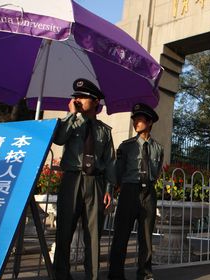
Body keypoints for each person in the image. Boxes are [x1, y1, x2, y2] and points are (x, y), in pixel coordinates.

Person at [53, 78, 115, 280]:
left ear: (96, 101)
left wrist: (109, 189)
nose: (77, 99)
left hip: (95, 183)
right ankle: (61, 276)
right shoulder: (71, 123)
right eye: (76, 96)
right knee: (64, 232)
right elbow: (59, 139)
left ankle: (93, 276)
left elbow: (110, 162)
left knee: (93, 235)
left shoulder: (104, 131)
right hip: (72, 180)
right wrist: (72, 115)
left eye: (83, 97)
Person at [108, 103, 164, 280]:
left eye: (139, 119)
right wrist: (113, 189)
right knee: (121, 235)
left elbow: (157, 171)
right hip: (129, 191)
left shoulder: (158, 148)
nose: (135, 122)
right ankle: (116, 274)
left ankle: (145, 274)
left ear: (149, 122)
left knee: (146, 237)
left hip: (149, 193)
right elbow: (118, 171)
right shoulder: (126, 146)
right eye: (134, 119)